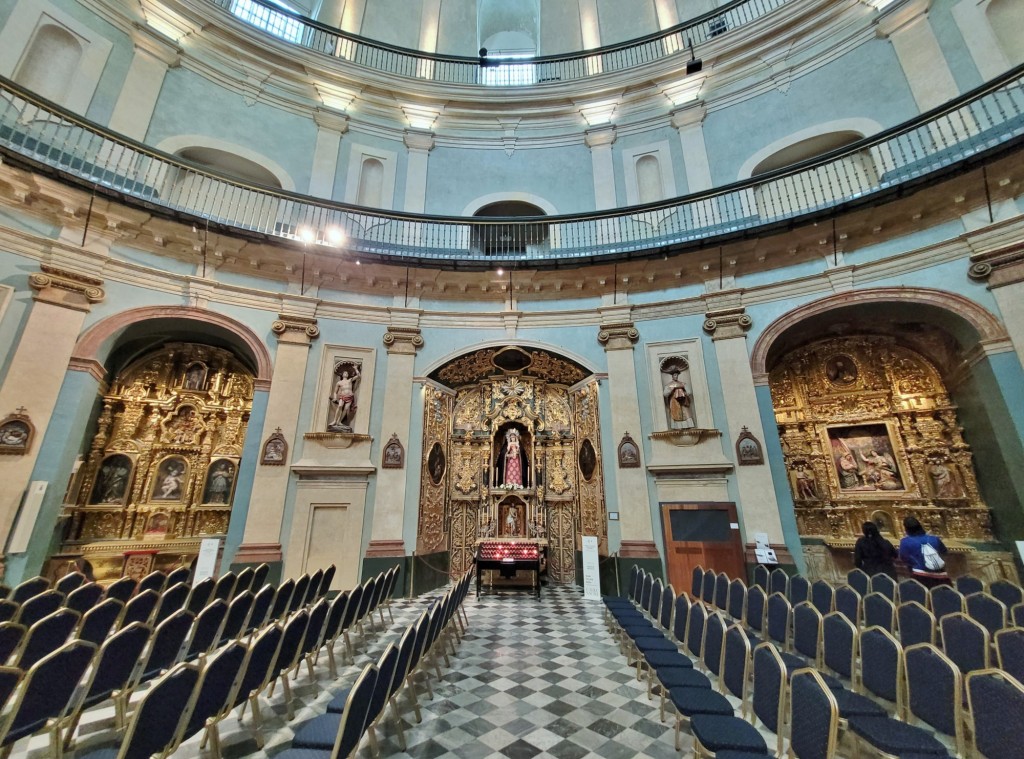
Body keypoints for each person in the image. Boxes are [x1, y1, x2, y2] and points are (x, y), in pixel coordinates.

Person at [898, 516, 951, 587]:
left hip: (919, 576)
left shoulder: (905, 542)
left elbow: (904, 558)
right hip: (941, 576)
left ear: (906, 529)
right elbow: (944, 552)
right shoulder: (934, 539)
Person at [329, 363, 361, 430]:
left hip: (350, 396)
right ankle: (334, 421)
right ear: (342, 374)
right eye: (345, 373)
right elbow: (335, 392)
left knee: (346, 409)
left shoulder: (349, 380)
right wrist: (335, 397)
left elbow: (358, 376)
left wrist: (355, 369)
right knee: (340, 406)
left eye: (347, 373)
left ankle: (339, 421)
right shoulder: (339, 382)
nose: (346, 374)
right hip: (342, 396)